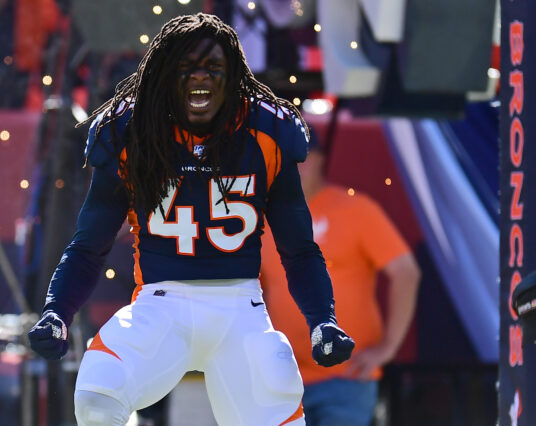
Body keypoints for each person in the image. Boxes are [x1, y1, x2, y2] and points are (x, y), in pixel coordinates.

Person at [27, 13, 354, 426]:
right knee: (97, 396)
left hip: (241, 311)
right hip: (160, 306)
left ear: (233, 75)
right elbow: (89, 246)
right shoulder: (131, 131)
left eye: (214, 68)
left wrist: (323, 319)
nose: (200, 79)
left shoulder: (267, 132)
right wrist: (57, 310)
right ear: (164, 75)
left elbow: (299, 250)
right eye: (186, 68)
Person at [261, 131, 421, 426]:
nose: (292, 169)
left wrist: (389, 347)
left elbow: (406, 272)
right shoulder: (261, 217)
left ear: (320, 160)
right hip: (281, 376)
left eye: (301, 160)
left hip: (346, 374)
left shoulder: (356, 209)